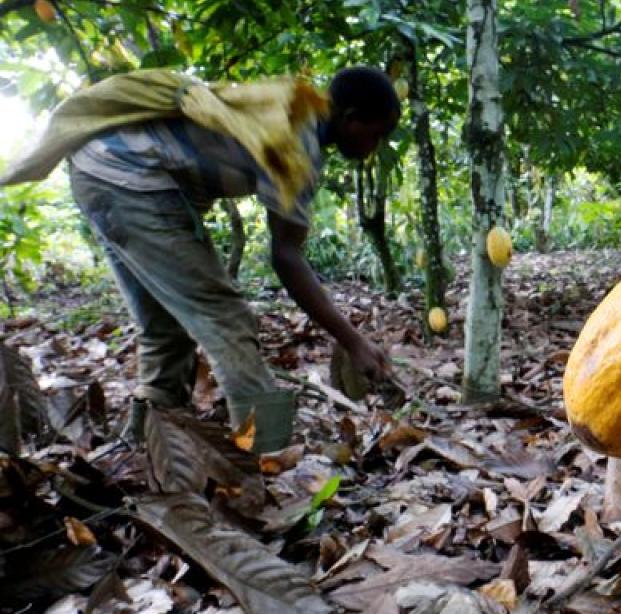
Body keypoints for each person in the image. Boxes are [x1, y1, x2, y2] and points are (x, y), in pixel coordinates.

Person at [64, 67, 399, 452]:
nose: (374, 146)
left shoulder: (293, 103)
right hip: (132, 179)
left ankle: (145, 445)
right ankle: (267, 454)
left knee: (164, 327)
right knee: (226, 318)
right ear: (350, 117)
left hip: (97, 168)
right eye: (376, 134)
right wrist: (354, 342)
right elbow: (287, 257)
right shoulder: (298, 143)